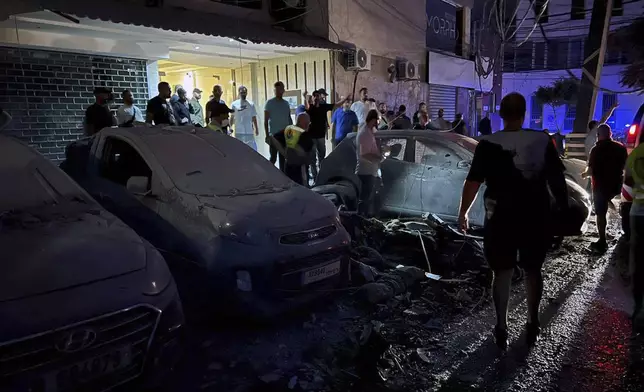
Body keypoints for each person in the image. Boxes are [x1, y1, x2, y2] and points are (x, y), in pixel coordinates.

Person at [457, 92, 568, 350]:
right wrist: (561, 213)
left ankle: (501, 326)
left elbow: (473, 182)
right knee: (533, 271)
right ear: (524, 113)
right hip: (535, 218)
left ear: (502, 115)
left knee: (502, 272)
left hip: (500, 218)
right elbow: (557, 181)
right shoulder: (542, 140)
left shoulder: (487, 144)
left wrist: (463, 213)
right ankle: (532, 322)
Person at [582, 124, 628, 252]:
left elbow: (590, 170)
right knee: (619, 208)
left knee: (601, 213)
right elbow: (626, 167)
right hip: (616, 185)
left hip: (600, 186)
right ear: (610, 134)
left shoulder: (596, 150)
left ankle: (602, 240)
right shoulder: (620, 148)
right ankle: (625, 232)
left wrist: (584, 174)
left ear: (598, 136)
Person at [304, 90, 351, 180]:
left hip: (321, 136)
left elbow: (336, 105)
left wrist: (345, 99)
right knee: (313, 159)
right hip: (312, 137)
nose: (316, 98)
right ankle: (315, 178)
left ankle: (321, 177)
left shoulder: (323, 107)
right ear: (313, 98)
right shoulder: (311, 108)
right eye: (315, 96)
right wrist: (304, 97)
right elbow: (306, 107)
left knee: (322, 157)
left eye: (318, 96)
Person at [624, 140, 644, 327]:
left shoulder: (637, 153)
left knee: (637, 259)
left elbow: (628, 180)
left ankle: (638, 308)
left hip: (638, 212)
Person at [356, 109, 388, 216]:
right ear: (373, 119)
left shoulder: (370, 131)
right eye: (377, 120)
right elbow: (364, 154)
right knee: (365, 197)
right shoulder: (364, 133)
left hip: (372, 169)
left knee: (371, 196)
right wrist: (378, 158)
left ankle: (367, 216)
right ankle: (361, 217)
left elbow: (378, 137)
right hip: (366, 170)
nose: (378, 122)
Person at [272, 113, 314, 185]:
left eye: (308, 123)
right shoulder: (295, 132)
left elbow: (273, 138)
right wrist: (284, 152)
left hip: (296, 166)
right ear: (301, 122)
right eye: (307, 123)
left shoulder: (292, 131)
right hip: (296, 167)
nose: (308, 125)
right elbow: (273, 139)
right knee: (299, 188)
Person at [264, 81, 292, 171]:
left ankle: (283, 178)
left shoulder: (286, 103)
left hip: (285, 134)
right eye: (276, 90)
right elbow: (266, 120)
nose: (278, 91)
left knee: (283, 158)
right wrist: (267, 135)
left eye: (280, 89)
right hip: (274, 135)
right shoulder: (269, 103)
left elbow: (289, 118)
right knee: (273, 157)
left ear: (283, 90)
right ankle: (269, 176)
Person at [230, 85, 259, 150]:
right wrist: (230, 127)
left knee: (251, 149)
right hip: (239, 131)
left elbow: (254, 117)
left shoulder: (251, 104)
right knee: (239, 149)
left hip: (249, 131)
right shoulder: (234, 104)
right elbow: (232, 117)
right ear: (239, 93)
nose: (243, 94)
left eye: (244, 92)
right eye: (242, 92)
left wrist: (256, 128)